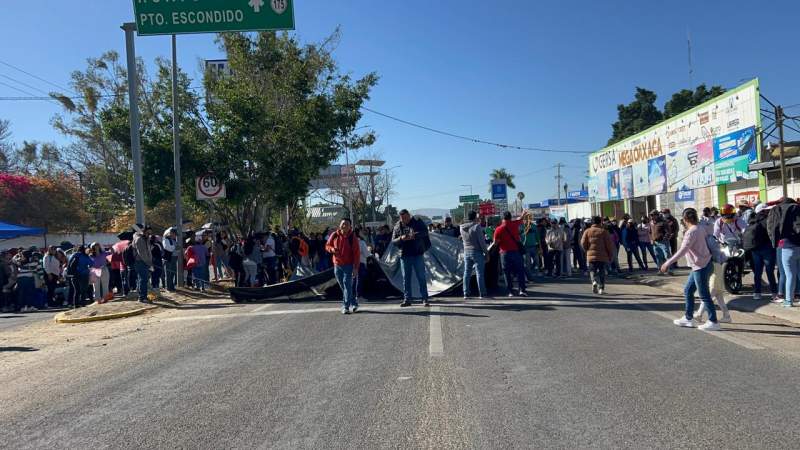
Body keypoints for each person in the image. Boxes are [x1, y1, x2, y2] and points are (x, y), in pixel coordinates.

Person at [662, 208, 720, 331]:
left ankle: (713, 321)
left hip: (700, 266)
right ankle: (688, 318)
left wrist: (667, 262)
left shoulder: (692, 232)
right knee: (688, 290)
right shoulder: (701, 228)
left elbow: (682, 250)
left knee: (704, 295)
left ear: (685, 219)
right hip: (704, 264)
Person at [392, 209, 431, 307]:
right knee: (406, 279)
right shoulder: (397, 226)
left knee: (421, 277)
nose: (404, 220)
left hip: (417, 254)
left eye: (405, 217)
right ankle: (407, 299)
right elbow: (393, 241)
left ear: (409, 216)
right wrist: (401, 238)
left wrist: (414, 235)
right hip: (404, 255)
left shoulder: (417, 222)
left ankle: (425, 299)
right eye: (402, 218)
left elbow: (425, 232)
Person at [767, 197, 800, 308]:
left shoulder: (776, 209)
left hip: (785, 245)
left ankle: (788, 301)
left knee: (789, 274)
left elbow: (771, 227)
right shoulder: (797, 208)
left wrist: (774, 242)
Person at [742, 203, 777, 301]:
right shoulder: (767, 220)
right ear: (762, 211)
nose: (768, 211)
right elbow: (771, 233)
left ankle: (757, 293)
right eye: (766, 210)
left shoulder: (752, 221)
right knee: (770, 271)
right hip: (767, 248)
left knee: (758, 272)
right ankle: (774, 293)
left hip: (755, 249)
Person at [326, 218, 361, 314]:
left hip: (348, 265)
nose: (344, 226)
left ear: (350, 226)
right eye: (343, 224)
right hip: (337, 265)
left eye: (347, 224)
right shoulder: (334, 235)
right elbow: (327, 245)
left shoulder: (352, 237)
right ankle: (354, 303)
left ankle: (345, 306)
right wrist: (332, 249)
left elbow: (357, 254)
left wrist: (355, 268)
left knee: (346, 284)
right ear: (340, 225)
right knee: (344, 286)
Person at [494, 210, 532, 296]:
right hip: (516, 252)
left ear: (502, 218)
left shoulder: (498, 229)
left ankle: (510, 291)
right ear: (510, 217)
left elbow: (495, 242)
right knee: (520, 271)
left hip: (504, 253)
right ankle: (522, 290)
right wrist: (522, 214)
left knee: (507, 273)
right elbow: (520, 219)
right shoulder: (514, 224)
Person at [581, 216, 614, 294]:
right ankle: (601, 288)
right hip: (602, 256)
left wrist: (587, 250)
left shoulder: (587, 231)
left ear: (592, 222)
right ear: (600, 222)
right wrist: (610, 254)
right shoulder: (604, 231)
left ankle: (594, 281)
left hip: (591, 255)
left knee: (592, 270)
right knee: (602, 271)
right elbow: (609, 245)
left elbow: (582, 243)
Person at [461, 210, 489, 299]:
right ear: (475, 217)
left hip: (466, 251)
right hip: (476, 252)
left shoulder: (461, 227)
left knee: (466, 272)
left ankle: (466, 293)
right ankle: (482, 293)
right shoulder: (477, 227)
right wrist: (486, 253)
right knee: (479, 273)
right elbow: (482, 242)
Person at [131, 224, 153, 303]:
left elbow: (148, 251)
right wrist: (148, 263)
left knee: (143, 279)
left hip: (144, 262)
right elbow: (142, 253)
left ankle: (143, 296)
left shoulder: (145, 238)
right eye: (148, 232)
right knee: (143, 279)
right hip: (141, 262)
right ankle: (142, 297)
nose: (149, 234)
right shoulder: (139, 239)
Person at [649, 210, 672, 275]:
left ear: (657, 215)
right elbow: (650, 232)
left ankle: (669, 270)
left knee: (667, 256)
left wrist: (664, 239)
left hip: (663, 242)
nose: (652, 216)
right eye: (651, 215)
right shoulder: (651, 223)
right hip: (655, 243)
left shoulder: (663, 222)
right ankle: (660, 270)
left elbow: (668, 232)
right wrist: (651, 239)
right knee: (658, 256)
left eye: (653, 215)